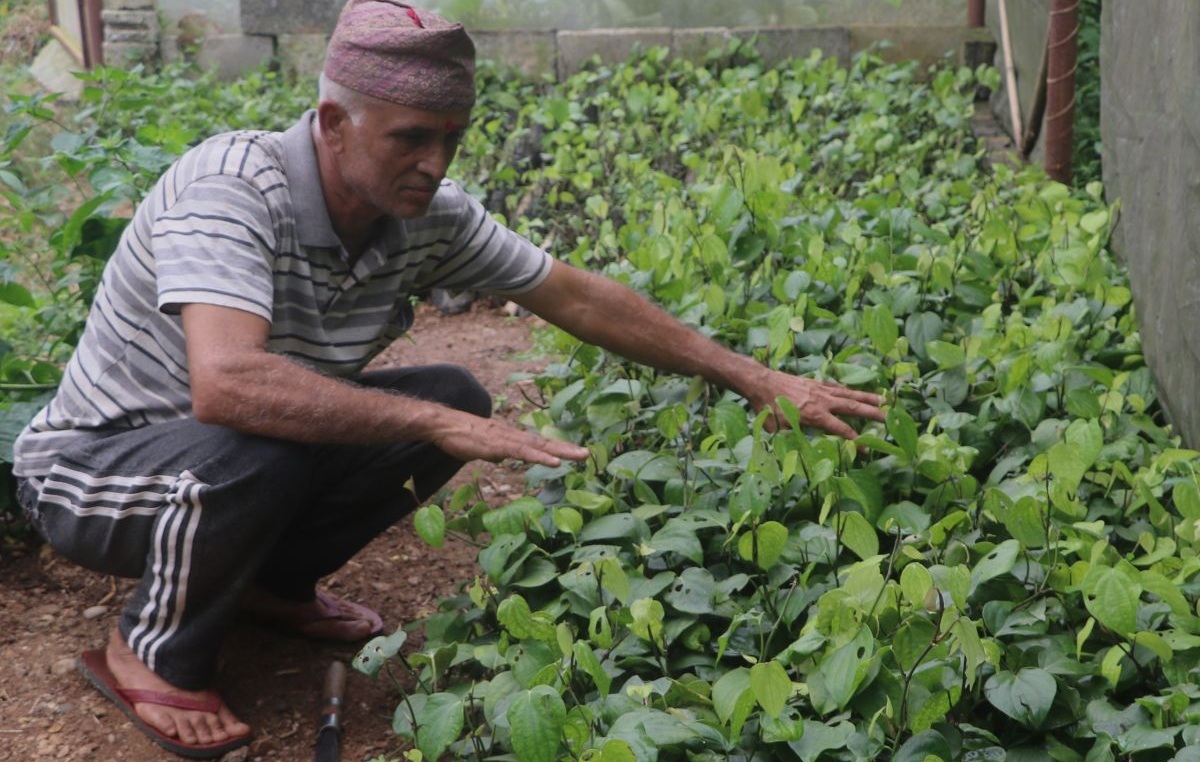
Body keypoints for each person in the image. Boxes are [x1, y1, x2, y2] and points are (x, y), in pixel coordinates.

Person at [12, 1, 885, 757]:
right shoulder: (232, 189)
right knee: (335, 434)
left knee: (454, 397)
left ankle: (269, 585)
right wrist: (428, 426)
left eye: (451, 139)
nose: (435, 163)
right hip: (92, 472)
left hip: (231, 461)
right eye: (411, 138)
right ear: (333, 122)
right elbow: (228, 386)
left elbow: (576, 296)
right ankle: (149, 649)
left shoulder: (427, 214)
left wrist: (753, 377)